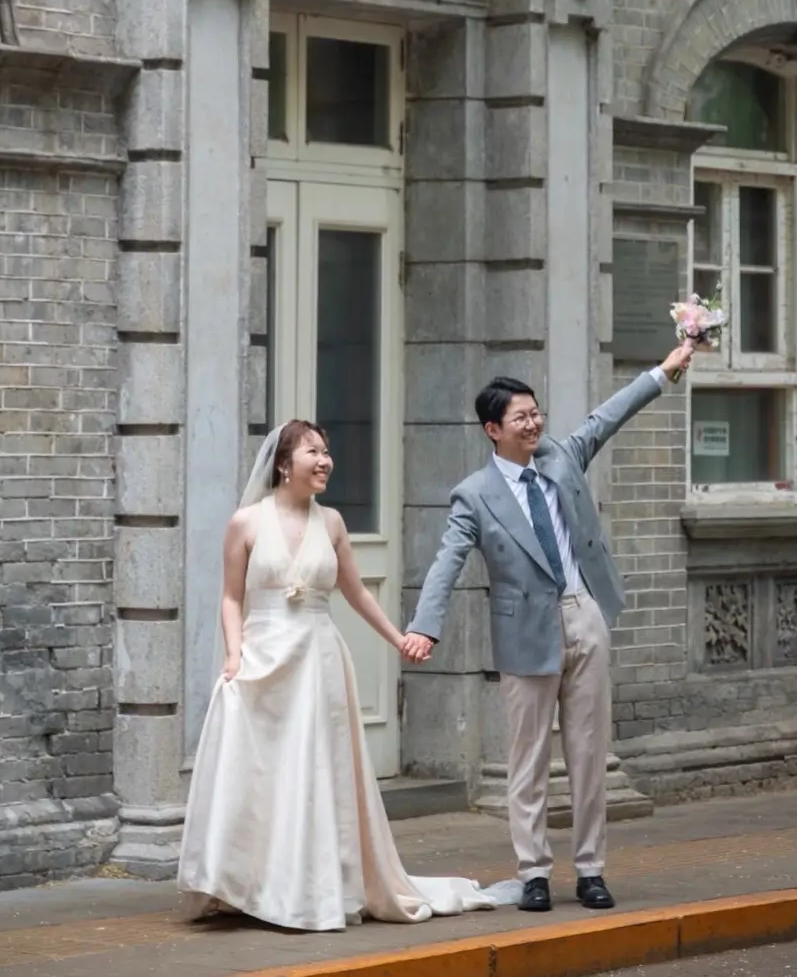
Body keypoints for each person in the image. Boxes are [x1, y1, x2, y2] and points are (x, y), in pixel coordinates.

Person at [403, 338, 695, 913]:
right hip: (525, 634)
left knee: (589, 754)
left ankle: (590, 870)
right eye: (521, 417)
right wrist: (425, 626)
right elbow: (447, 561)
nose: (534, 423)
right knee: (528, 759)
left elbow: (608, 415)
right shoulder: (475, 496)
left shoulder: (562, 456)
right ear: (493, 429)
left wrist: (664, 370)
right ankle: (534, 872)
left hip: (584, 613)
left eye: (536, 413)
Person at [177, 419, 500, 932]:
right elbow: (231, 597)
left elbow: (357, 593)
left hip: (318, 659)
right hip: (262, 660)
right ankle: (247, 885)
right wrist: (234, 655)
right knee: (262, 774)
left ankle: (312, 887)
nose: (325, 461)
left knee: (315, 772)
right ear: (284, 463)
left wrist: (399, 638)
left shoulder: (332, 524)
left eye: (327, 452)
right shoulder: (246, 523)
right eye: (313, 452)